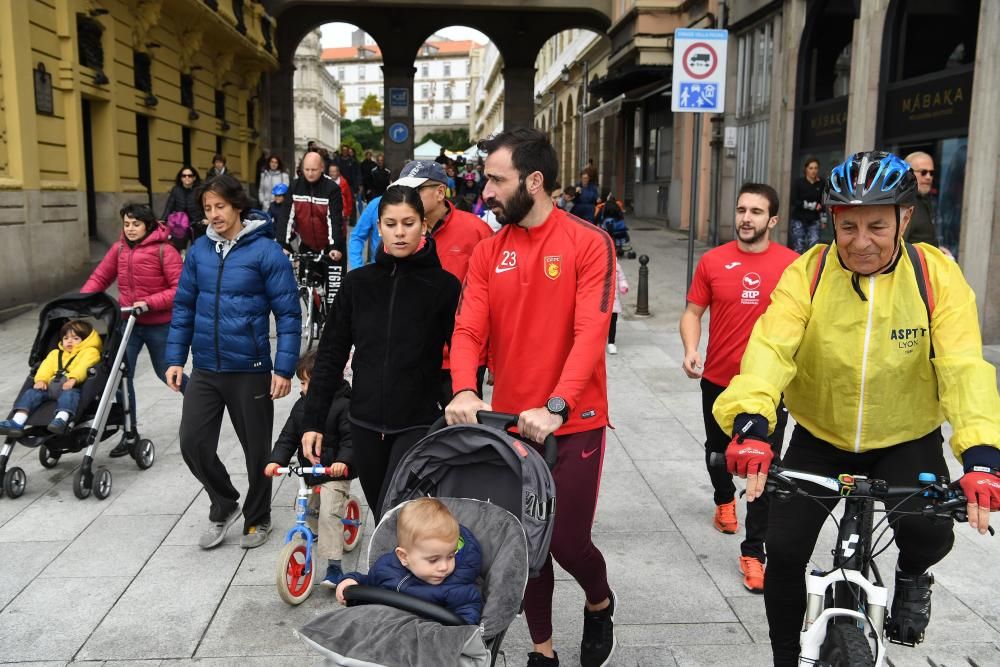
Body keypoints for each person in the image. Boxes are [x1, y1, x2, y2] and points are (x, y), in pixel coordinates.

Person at [712, 151, 1000, 665]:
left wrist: (981, 456)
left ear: (904, 219)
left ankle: (912, 573)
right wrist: (752, 424)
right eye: (847, 226)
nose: (861, 241)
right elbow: (770, 349)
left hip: (906, 436)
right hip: (821, 435)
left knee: (929, 532)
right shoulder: (811, 272)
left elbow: (963, 366)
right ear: (832, 221)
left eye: (876, 225)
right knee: (782, 551)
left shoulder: (936, 276)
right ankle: (785, 657)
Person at [444, 128, 616, 667]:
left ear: (534, 181)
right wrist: (465, 389)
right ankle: (542, 650)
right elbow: (468, 330)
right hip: (511, 424)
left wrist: (558, 404)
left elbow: (591, 332)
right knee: (525, 546)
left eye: (496, 180)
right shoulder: (488, 252)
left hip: (575, 421)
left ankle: (599, 600)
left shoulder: (589, 244)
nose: (486, 191)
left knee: (566, 543)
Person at [301, 186, 461, 520]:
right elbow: (330, 354)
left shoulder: (444, 286)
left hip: (417, 422)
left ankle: (398, 569)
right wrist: (313, 421)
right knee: (382, 515)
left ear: (423, 226)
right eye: (391, 223)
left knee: (396, 511)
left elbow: (463, 352)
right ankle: (399, 570)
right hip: (364, 421)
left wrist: (460, 403)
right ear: (379, 228)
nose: (400, 232)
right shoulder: (357, 284)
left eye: (408, 222)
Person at [165, 174, 300, 551]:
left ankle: (258, 517)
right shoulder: (200, 252)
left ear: (237, 205)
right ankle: (224, 502)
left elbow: (289, 314)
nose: (213, 215)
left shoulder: (267, 252)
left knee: (257, 450)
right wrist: (176, 358)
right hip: (206, 367)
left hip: (251, 369)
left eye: (220, 206)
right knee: (192, 442)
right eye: (207, 209)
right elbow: (184, 307)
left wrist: (284, 368)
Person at [678, 183, 798, 593]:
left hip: (767, 388)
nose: (746, 218)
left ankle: (754, 551)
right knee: (717, 455)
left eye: (757, 212)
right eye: (742, 209)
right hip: (718, 380)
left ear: (773, 220)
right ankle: (723, 499)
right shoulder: (713, 261)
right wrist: (692, 349)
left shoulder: (792, 265)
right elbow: (693, 312)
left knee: (762, 466)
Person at [82, 203, 187, 455]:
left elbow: (179, 289)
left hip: (159, 323)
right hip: (127, 323)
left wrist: (149, 303)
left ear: (148, 225)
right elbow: (100, 278)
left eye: (136, 224)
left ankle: (204, 406)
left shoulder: (165, 250)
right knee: (119, 377)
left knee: (167, 373)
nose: (130, 229)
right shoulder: (118, 250)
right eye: (127, 224)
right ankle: (130, 433)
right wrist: (81, 301)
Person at [392, 160, 493, 400]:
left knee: (458, 434)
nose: (407, 197)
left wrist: (494, 359)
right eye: (403, 190)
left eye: (415, 191)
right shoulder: (399, 231)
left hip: (463, 358)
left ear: (439, 192)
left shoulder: (476, 231)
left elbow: (496, 298)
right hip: (410, 354)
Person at [265, 350, 354, 587]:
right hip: (310, 473)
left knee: (328, 515)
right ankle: (315, 532)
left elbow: (350, 439)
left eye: (306, 383)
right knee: (305, 508)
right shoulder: (301, 407)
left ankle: (334, 565)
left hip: (334, 472)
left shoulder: (344, 404)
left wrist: (342, 462)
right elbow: (288, 436)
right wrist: (276, 461)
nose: (302, 388)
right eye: (302, 383)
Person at [334, 497, 483, 625]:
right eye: (433, 560)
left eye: (451, 556)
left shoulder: (457, 586)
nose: (444, 567)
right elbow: (369, 583)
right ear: (404, 557)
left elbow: (468, 611)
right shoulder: (386, 568)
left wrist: (462, 632)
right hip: (384, 629)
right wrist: (351, 581)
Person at [0, 320, 102, 437]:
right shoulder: (55, 354)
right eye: (66, 338)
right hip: (49, 387)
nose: (69, 341)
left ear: (85, 340)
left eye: (75, 338)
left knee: (70, 396)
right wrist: (41, 380)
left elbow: (84, 366)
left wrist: (73, 379)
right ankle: (17, 421)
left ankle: (61, 419)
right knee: (31, 394)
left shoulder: (90, 352)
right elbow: (46, 367)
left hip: (71, 387)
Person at [287, 152, 345, 307]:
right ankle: (314, 317)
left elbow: (334, 219)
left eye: (314, 169)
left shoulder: (331, 188)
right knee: (307, 286)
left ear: (322, 168)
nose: (310, 173)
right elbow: (286, 217)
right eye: (306, 169)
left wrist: (335, 247)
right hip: (307, 244)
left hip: (331, 245)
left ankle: (332, 323)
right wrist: (283, 244)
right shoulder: (294, 186)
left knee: (335, 296)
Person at [162, 166, 205, 252]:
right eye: (184, 175)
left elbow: (206, 205)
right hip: (180, 224)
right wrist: (163, 220)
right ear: (180, 178)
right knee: (178, 249)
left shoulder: (200, 190)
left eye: (190, 175)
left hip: (198, 224)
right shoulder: (176, 190)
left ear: (194, 177)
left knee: (199, 249)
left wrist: (206, 219)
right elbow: (169, 206)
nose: (187, 178)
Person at [903, 151, 940, 247]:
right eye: (923, 172)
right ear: (909, 173)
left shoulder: (924, 199)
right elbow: (901, 244)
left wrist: (938, 251)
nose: (928, 177)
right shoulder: (905, 201)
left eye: (931, 173)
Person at [788, 157, 824, 254]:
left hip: (814, 220)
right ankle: (798, 268)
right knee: (798, 247)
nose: (813, 171)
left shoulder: (821, 183)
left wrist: (824, 220)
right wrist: (811, 206)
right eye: (811, 168)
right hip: (798, 219)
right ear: (806, 169)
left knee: (814, 246)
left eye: (816, 168)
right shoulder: (799, 183)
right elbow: (794, 201)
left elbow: (823, 203)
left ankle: (812, 268)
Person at [348, 193, 381, 270]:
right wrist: (357, 268)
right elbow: (357, 236)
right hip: (379, 270)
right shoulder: (376, 204)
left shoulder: (414, 203)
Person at [607, 261, 628, 355]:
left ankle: (611, 342)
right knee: (599, 323)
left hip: (613, 300)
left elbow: (621, 278)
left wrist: (623, 286)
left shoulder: (616, 265)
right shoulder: (595, 263)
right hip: (599, 300)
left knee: (613, 322)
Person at [327, 163, 354, 229]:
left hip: (341, 212)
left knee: (341, 232)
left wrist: (348, 213)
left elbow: (349, 198)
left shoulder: (344, 182)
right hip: (328, 212)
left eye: (334, 171)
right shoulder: (326, 182)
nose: (332, 173)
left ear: (338, 172)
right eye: (330, 171)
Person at [267, 182, 292, 249]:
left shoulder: (289, 206)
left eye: (279, 196)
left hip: (287, 231)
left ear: (285, 196)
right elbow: (268, 217)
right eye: (275, 195)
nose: (277, 198)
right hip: (276, 230)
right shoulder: (272, 205)